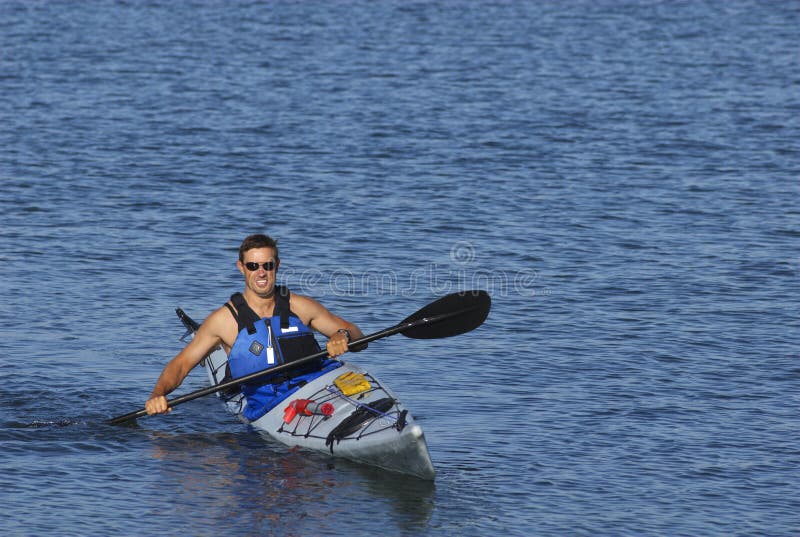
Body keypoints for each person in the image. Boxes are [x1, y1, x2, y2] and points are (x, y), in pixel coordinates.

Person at [145, 233, 365, 421]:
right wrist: (158, 393)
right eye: (253, 266)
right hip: (264, 403)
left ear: (277, 266)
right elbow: (181, 365)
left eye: (267, 265)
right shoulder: (223, 320)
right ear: (241, 268)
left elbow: (357, 335)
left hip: (316, 387)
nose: (261, 272)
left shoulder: (302, 306)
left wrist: (342, 335)